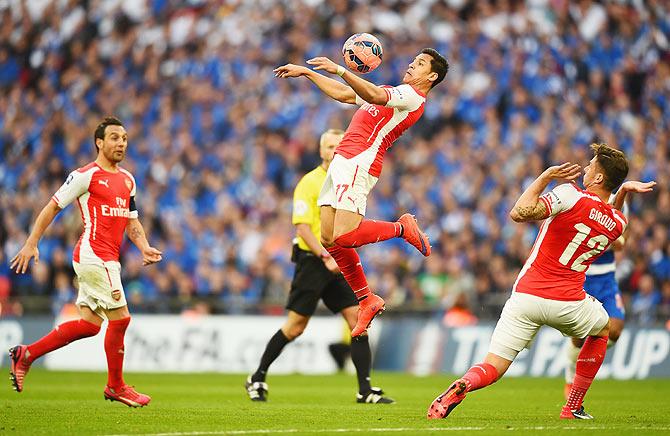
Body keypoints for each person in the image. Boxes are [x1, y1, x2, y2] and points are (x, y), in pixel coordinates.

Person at [426, 143, 655, 420]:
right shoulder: (617, 222)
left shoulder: (569, 194)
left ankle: (465, 383)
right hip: (569, 303)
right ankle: (572, 407)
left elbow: (518, 212)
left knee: (493, 367)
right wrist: (624, 194)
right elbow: (615, 227)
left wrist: (545, 177)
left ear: (598, 178)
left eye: (591, 165)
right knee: (602, 329)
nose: (585, 167)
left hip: (526, 297)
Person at [273, 48, 449, 337]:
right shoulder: (392, 90)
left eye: (418, 63)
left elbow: (376, 96)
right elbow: (345, 95)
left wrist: (340, 68)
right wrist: (308, 73)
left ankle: (401, 228)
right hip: (342, 161)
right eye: (412, 59)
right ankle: (366, 298)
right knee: (329, 239)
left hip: (359, 161)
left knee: (344, 234)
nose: (410, 64)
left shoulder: (412, 97)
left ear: (431, 76)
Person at [9, 117, 162, 408]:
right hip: (94, 255)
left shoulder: (128, 180)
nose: (121, 143)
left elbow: (132, 223)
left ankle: (26, 354)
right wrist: (31, 242)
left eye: (125, 138)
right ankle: (115, 386)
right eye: (115, 138)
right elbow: (52, 206)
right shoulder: (85, 175)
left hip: (106, 259)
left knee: (90, 325)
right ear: (99, 142)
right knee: (122, 318)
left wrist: (143, 247)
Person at [245, 129, 393, 404]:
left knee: (358, 322)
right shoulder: (309, 182)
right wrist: (326, 256)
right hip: (314, 261)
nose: (334, 150)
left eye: (339, 145)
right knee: (295, 326)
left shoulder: (347, 180)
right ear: (321, 150)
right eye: (328, 146)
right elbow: (302, 226)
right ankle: (257, 377)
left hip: (339, 260)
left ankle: (365, 390)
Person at [563, 199, 628, 399]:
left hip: (606, 277)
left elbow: (621, 243)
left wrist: (610, 237)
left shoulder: (620, 202)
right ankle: (570, 374)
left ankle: (579, 358)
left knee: (615, 330)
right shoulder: (583, 200)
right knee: (579, 333)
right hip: (582, 275)